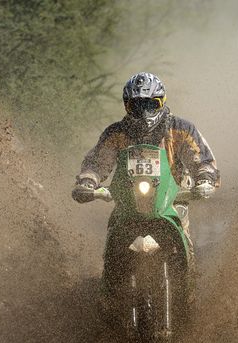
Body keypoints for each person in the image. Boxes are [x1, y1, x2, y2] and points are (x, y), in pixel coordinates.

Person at [72, 72, 220, 295]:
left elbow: (203, 160)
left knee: (186, 247)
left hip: (171, 201)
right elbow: (96, 163)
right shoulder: (116, 133)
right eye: (137, 105)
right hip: (127, 204)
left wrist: (205, 179)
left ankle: (187, 296)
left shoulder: (181, 129)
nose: (144, 112)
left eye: (151, 104)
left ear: (162, 102)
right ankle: (109, 294)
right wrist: (87, 182)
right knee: (112, 242)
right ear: (127, 106)